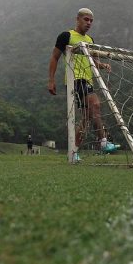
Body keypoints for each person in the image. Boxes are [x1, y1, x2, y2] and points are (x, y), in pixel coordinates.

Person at [48, 8, 112, 162]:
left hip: (88, 80)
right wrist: (51, 80)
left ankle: (74, 151)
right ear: (77, 19)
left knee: (87, 117)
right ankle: (103, 142)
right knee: (95, 104)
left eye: (91, 20)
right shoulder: (67, 36)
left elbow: (93, 61)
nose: (88, 23)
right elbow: (55, 57)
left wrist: (102, 65)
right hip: (75, 80)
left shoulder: (90, 40)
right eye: (86, 19)